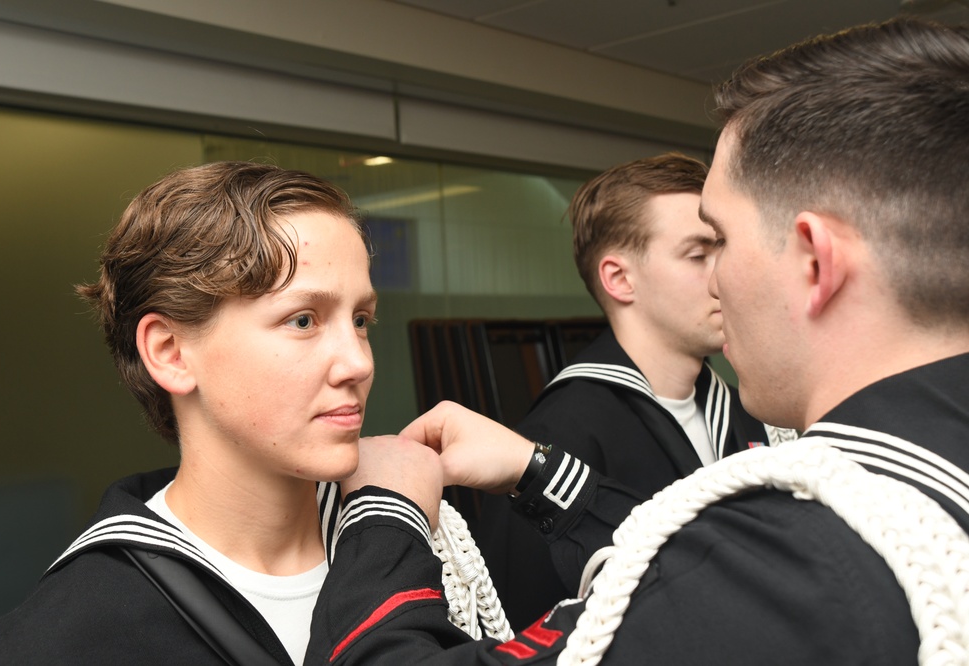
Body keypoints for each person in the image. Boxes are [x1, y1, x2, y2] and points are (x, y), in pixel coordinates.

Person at [302, 17, 969, 665]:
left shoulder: (776, 566)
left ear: (815, 264)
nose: (718, 280)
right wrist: (541, 471)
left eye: (723, 242)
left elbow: (687, 575)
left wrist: (385, 514)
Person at [0, 161, 414, 665]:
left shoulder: (418, 542)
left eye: (361, 320)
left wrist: (524, 468)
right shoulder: (59, 642)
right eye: (303, 319)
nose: (359, 362)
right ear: (171, 352)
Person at [476, 153, 790, 628]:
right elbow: (522, 627)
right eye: (697, 254)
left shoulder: (749, 405)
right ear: (620, 279)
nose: (724, 275)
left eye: (722, 251)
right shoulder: (555, 439)